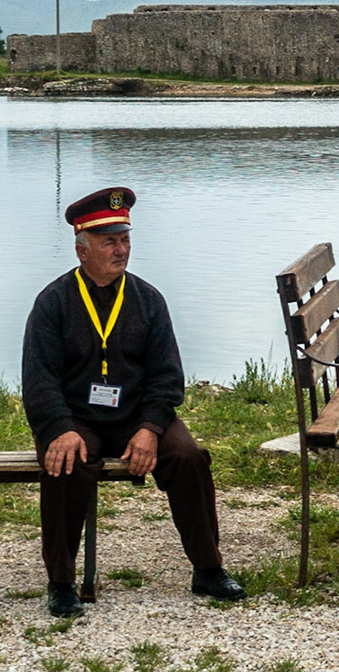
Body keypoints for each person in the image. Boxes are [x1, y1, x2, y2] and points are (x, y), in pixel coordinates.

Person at [21, 186, 247, 616]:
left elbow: (167, 377)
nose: (121, 250)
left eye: (124, 239)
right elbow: (39, 380)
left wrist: (150, 428)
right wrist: (59, 429)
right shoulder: (53, 303)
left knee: (189, 457)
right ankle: (61, 582)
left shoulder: (148, 300)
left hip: (136, 416)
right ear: (82, 249)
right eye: (109, 242)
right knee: (65, 463)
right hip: (76, 418)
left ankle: (208, 568)